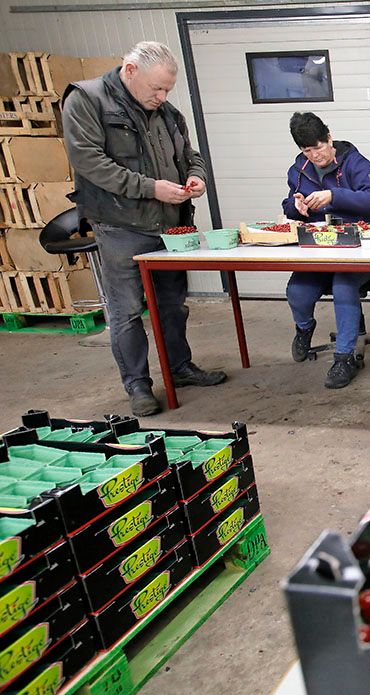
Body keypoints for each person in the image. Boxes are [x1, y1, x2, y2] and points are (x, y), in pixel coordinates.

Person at [62, 41, 226, 417]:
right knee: (127, 310)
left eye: (168, 89)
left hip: (170, 228)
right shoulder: (87, 100)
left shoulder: (167, 113)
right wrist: (150, 188)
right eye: (156, 88)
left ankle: (179, 368)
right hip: (121, 226)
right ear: (130, 70)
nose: (162, 95)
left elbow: (191, 156)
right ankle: (137, 385)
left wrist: (195, 178)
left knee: (172, 305)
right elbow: (90, 161)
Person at [281, 112, 370, 389]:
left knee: (343, 285)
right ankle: (304, 329)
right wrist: (297, 206)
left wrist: (334, 196)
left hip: (359, 251)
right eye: (307, 150)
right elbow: (288, 205)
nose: (315, 155)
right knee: (297, 291)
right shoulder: (299, 169)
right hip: (320, 249)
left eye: (318, 147)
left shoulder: (355, 162)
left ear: (329, 138)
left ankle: (345, 357)